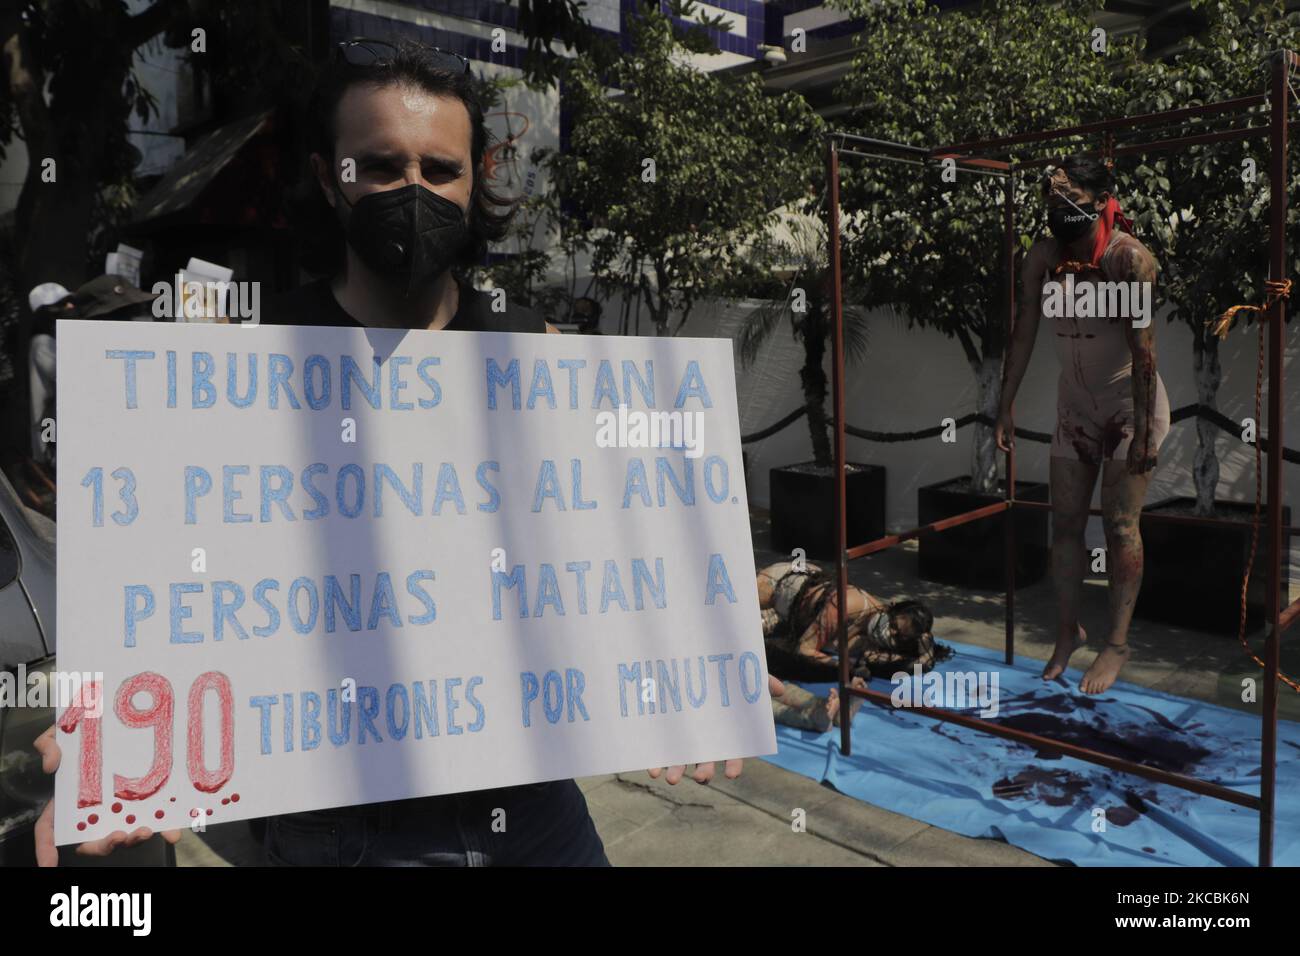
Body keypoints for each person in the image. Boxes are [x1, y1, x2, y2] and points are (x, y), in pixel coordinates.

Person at [35, 37, 780, 868]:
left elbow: (605, 556)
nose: (413, 192)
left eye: (439, 169)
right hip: (342, 832)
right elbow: (174, 582)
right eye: (381, 167)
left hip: (531, 814)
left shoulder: (537, 351)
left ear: (476, 179)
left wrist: (707, 649)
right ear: (330, 179)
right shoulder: (246, 362)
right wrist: (111, 736)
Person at [994, 155, 1170, 695]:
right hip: (1074, 410)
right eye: (1051, 195)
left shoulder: (1128, 259)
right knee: (1064, 527)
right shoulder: (1043, 257)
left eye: (1068, 195)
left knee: (1119, 528)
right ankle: (1067, 629)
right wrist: (1006, 404)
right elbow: (1022, 332)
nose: (1057, 205)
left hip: (1128, 407)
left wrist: (1142, 432)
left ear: (1098, 201)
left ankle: (1116, 643)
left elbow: (1144, 355)